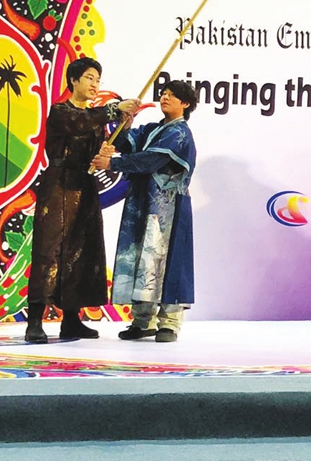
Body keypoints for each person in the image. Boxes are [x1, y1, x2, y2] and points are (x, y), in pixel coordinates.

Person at [27, 57, 139, 344]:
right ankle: (35, 321)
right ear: (73, 81)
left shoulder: (95, 118)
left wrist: (123, 126)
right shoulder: (61, 111)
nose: (94, 84)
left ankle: (72, 320)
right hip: (59, 186)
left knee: (81, 251)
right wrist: (114, 109)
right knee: (48, 252)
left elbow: (103, 141)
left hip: (85, 187)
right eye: (89, 78)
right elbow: (80, 122)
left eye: (98, 80)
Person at [92, 80, 198, 342]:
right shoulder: (153, 129)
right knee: (140, 257)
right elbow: (129, 143)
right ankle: (142, 320)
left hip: (167, 208)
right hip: (142, 203)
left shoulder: (180, 134)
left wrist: (112, 163)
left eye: (173, 96)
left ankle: (170, 323)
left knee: (167, 260)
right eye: (164, 93)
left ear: (185, 104)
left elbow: (153, 159)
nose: (165, 98)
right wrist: (125, 123)